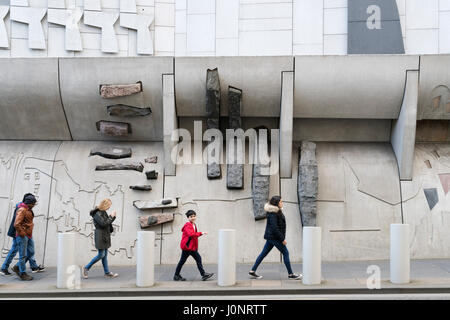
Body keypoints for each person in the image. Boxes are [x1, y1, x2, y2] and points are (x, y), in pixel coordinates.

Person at [249, 196, 302, 280]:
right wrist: (282, 239)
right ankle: (291, 274)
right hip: (274, 238)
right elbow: (274, 228)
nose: (282, 203)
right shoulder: (273, 213)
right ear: (276, 203)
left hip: (271, 237)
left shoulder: (276, 211)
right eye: (281, 201)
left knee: (263, 254)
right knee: (285, 253)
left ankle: (252, 271)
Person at [1, 193, 45, 277]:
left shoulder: (27, 208)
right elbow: (16, 224)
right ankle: (16, 270)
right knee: (18, 252)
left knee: (30, 251)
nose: (34, 205)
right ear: (29, 203)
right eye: (33, 203)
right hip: (21, 234)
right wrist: (22, 234)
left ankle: (31, 267)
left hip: (27, 234)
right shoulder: (22, 209)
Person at [82, 199, 118, 279]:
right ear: (105, 205)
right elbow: (103, 224)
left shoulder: (103, 212)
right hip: (100, 235)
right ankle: (86, 268)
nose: (109, 208)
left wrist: (112, 218)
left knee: (104, 255)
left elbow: (106, 223)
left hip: (104, 235)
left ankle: (107, 272)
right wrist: (111, 217)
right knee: (101, 254)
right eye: (108, 206)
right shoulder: (97, 213)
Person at [173, 210, 214, 281]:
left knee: (198, 258)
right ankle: (176, 275)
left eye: (194, 216)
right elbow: (191, 234)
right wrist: (201, 232)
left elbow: (194, 236)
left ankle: (203, 274)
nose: (193, 218)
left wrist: (199, 235)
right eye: (191, 216)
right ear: (188, 218)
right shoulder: (187, 225)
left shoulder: (193, 225)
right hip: (187, 247)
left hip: (192, 247)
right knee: (182, 261)